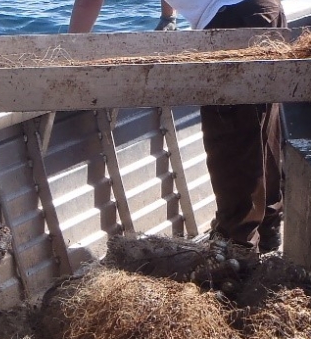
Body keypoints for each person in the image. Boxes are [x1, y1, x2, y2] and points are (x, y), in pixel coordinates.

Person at [70, 0, 285, 253]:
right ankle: (268, 236)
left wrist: (70, 55)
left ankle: (237, 253)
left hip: (234, 23)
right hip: (266, 11)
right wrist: (168, 17)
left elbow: (87, 3)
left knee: (233, 146)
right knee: (261, 133)